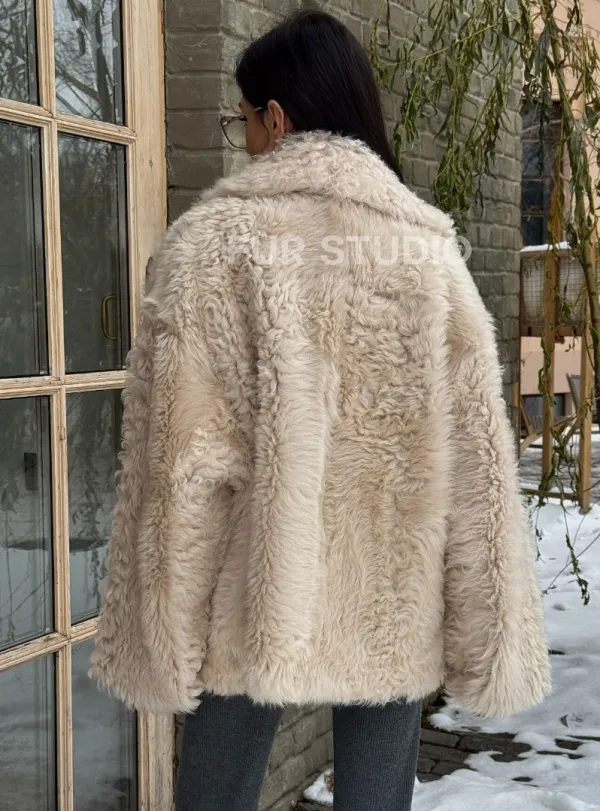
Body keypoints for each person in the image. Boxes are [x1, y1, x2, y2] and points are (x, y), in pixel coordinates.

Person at [91, 10, 550, 811]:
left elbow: (182, 463)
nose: (244, 139)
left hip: (254, 590)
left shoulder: (211, 245)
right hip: (392, 593)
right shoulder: (429, 252)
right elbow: (478, 457)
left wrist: (163, 637)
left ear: (277, 117)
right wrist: (489, 629)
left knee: (215, 791)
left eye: (243, 120)